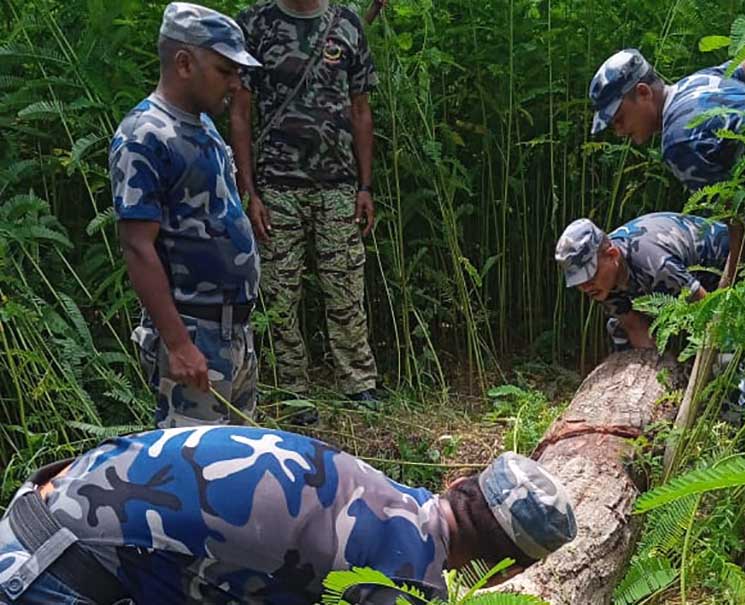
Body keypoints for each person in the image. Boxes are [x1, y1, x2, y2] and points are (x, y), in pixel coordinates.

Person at [0, 426, 577, 604]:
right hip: (53, 574)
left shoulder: (379, 490)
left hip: (39, 507)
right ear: (504, 573)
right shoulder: (400, 585)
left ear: (457, 484)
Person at [111, 2, 261, 429]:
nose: (235, 83)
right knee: (197, 477)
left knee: (238, 473)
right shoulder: (144, 136)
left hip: (234, 334)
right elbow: (138, 246)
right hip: (194, 334)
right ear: (183, 63)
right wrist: (178, 344)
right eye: (224, 70)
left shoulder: (204, 125)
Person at [230, 0, 380, 419]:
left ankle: (359, 383)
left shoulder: (347, 23)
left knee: (346, 286)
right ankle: (295, 390)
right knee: (280, 292)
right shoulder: (254, 24)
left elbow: (361, 109)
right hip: (276, 185)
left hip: (338, 185)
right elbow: (240, 112)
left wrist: (365, 185)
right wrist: (250, 191)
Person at [588, 48, 745, 280]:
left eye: (619, 119)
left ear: (643, 93)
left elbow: (742, 223)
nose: (619, 131)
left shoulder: (679, 140)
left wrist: (726, 293)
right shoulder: (700, 81)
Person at [555, 212, 729, 350]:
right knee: (618, 329)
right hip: (682, 282)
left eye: (590, 275)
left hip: (728, 265)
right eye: (579, 280)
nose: (585, 286)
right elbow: (633, 325)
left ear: (612, 255)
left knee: (725, 356)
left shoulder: (655, 264)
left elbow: (708, 312)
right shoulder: (604, 281)